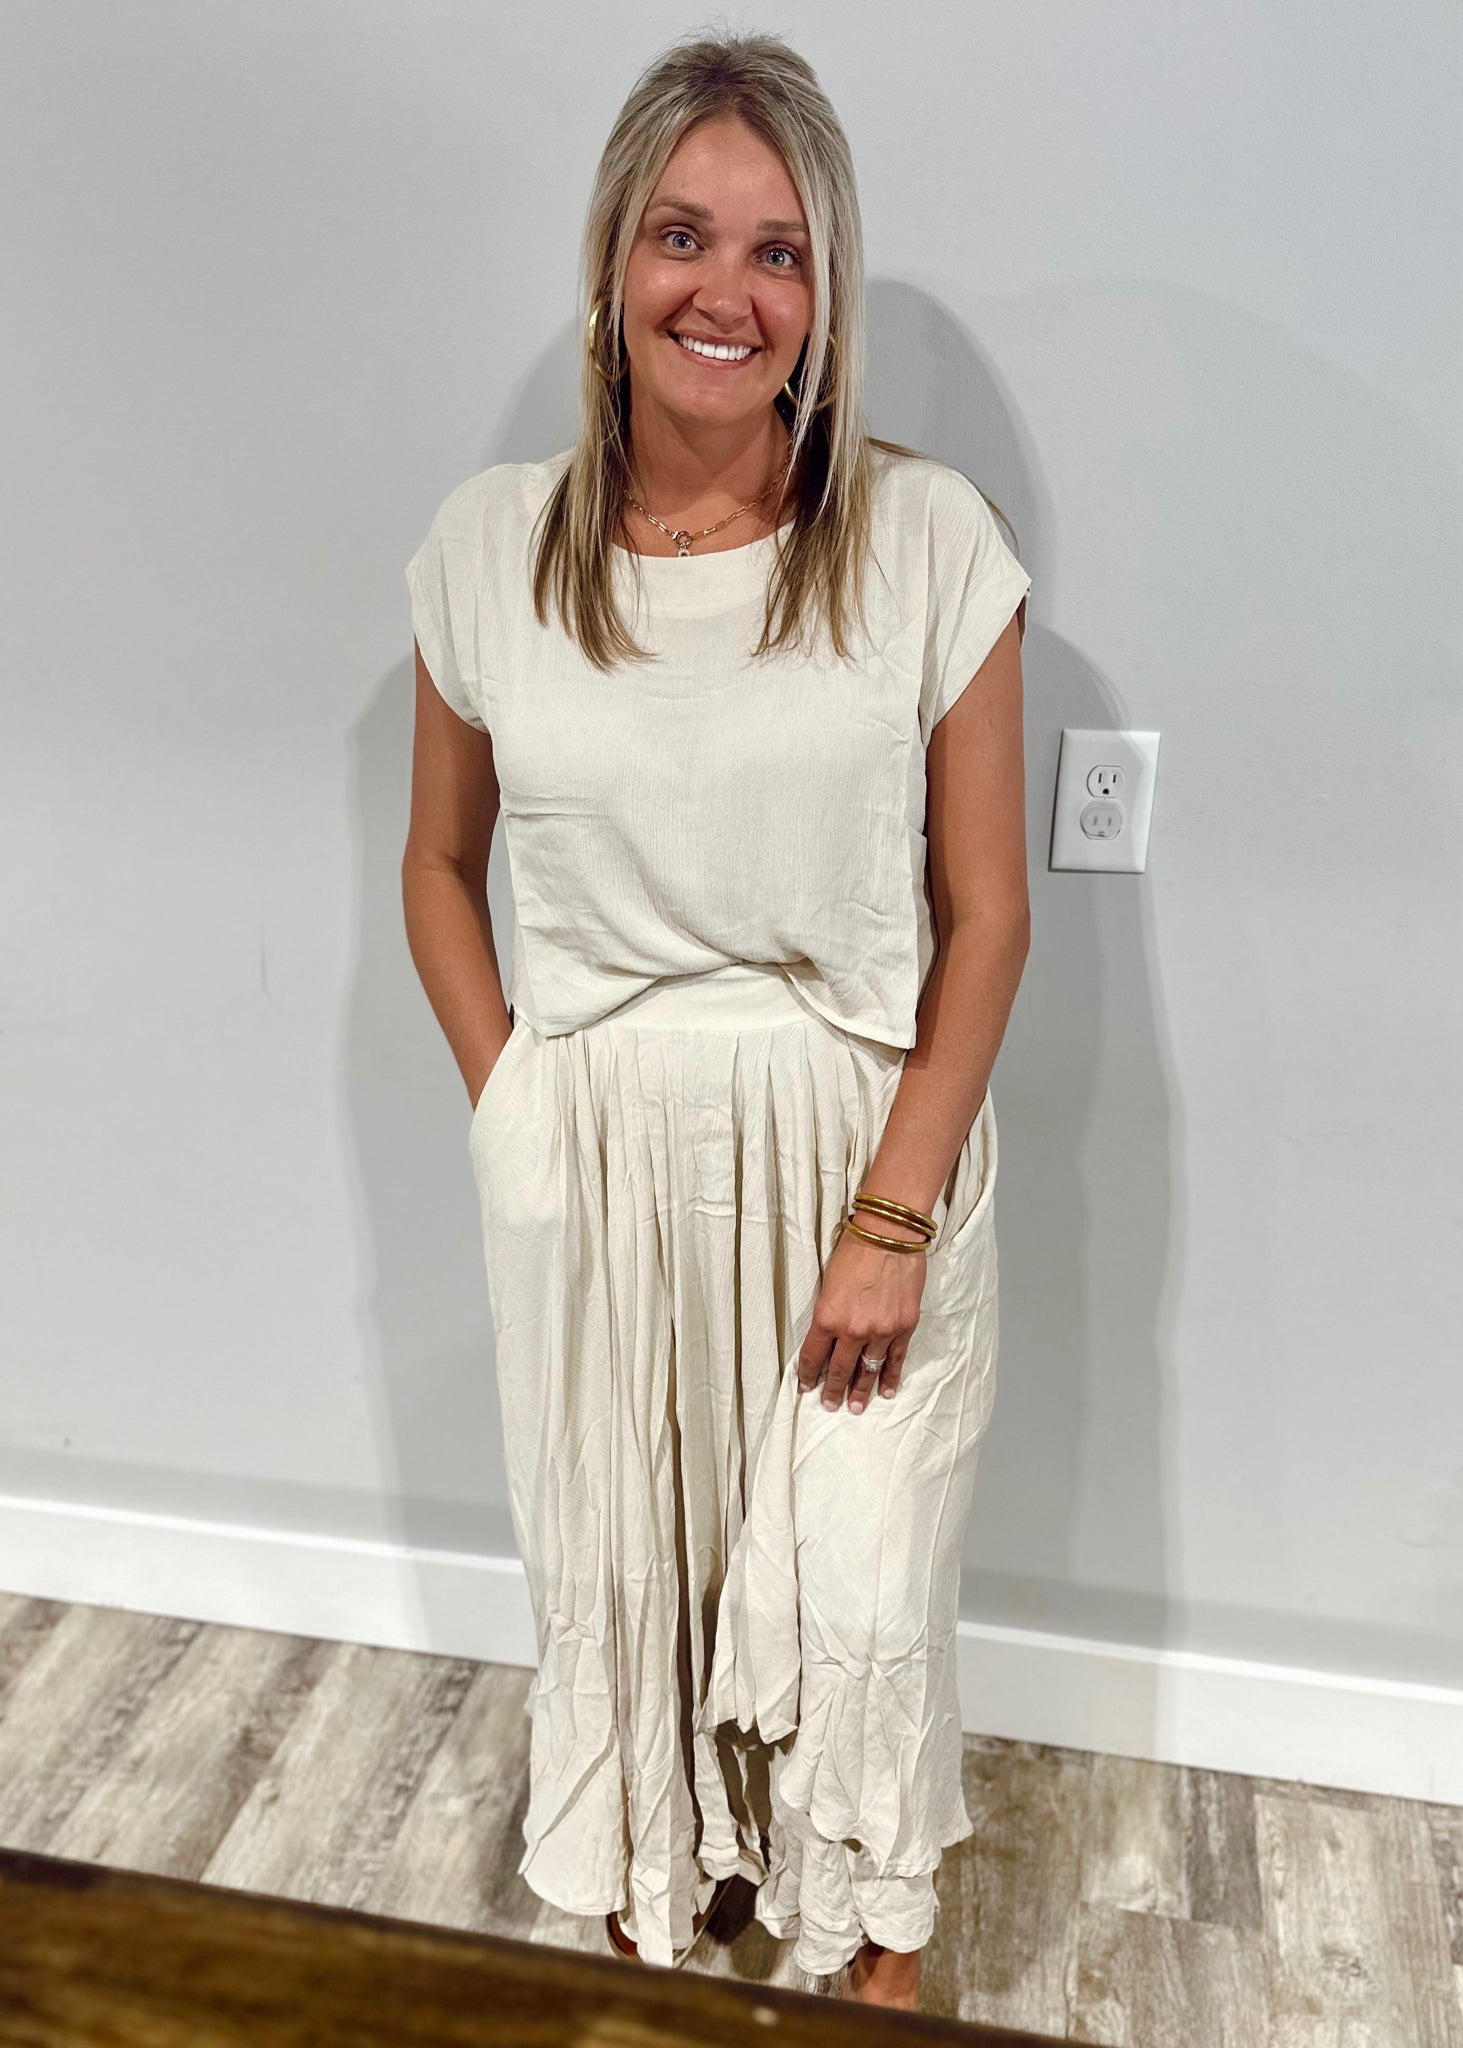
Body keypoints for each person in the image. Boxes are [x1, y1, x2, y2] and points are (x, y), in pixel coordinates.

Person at [401, 29, 1030, 2015]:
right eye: (682, 235)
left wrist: (896, 1212)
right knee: (629, 1584)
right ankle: (651, 1935)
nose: (726, 293)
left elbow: (989, 917)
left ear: (826, 293)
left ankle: (876, 1972)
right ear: (612, 257)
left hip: (860, 1146)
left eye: (780, 252)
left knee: (866, 1589)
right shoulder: (488, 549)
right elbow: (435, 867)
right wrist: (516, 1105)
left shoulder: (927, 543)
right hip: (596, 1163)